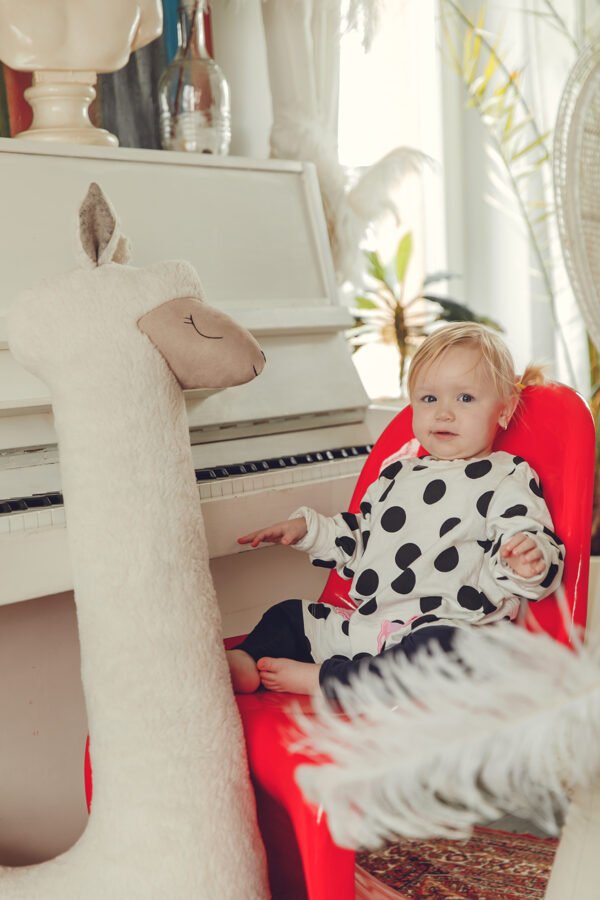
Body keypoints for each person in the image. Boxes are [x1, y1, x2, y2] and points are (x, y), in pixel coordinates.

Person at [227, 323, 564, 698]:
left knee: (444, 653)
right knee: (289, 616)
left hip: (447, 628)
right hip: (370, 629)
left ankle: (329, 681)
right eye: (429, 399)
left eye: (465, 398)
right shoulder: (397, 473)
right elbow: (360, 540)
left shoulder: (506, 476)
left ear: (504, 410)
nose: (444, 414)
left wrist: (528, 560)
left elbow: (526, 540)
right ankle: (248, 658)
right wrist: (307, 531)